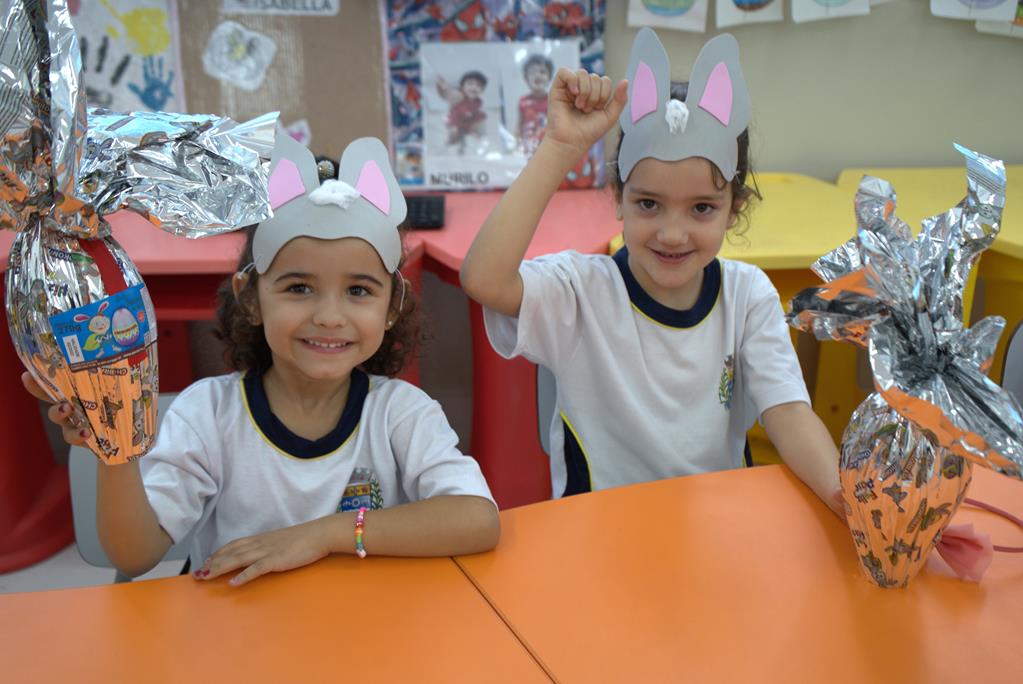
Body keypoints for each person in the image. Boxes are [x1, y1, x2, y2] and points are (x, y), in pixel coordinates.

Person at [25, 133, 499, 586]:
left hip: (362, 638)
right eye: (299, 288)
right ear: (250, 297)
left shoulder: (402, 414)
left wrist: (321, 536)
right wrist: (115, 447)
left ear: (392, 306)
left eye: (358, 290)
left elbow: (477, 519)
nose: (330, 316)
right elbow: (135, 554)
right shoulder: (207, 415)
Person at [459, 28, 841, 513]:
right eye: (649, 204)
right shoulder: (581, 293)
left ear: (734, 209)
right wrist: (559, 144)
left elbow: (788, 413)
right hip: (601, 540)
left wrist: (842, 497)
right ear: (619, 198)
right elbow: (483, 280)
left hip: (716, 532)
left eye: (702, 208)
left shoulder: (747, 296)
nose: (673, 234)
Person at [436, 70, 488, 154]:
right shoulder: (458, 96)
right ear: (462, 87)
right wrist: (442, 87)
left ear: (482, 90)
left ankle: (470, 141)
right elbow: (446, 94)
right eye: (470, 84)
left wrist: (478, 131)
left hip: (468, 123)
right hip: (455, 121)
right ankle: (450, 144)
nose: (474, 88)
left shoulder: (478, 102)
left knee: (481, 117)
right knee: (454, 133)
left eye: (478, 85)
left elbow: (478, 116)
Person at [517, 53, 553, 156]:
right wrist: (516, 145)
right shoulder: (523, 101)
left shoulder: (553, 100)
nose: (538, 76)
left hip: (549, 148)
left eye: (543, 72)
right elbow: (519, 126)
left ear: (549, 77)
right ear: (526, 78)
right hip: (529, 149)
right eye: (532, 72)